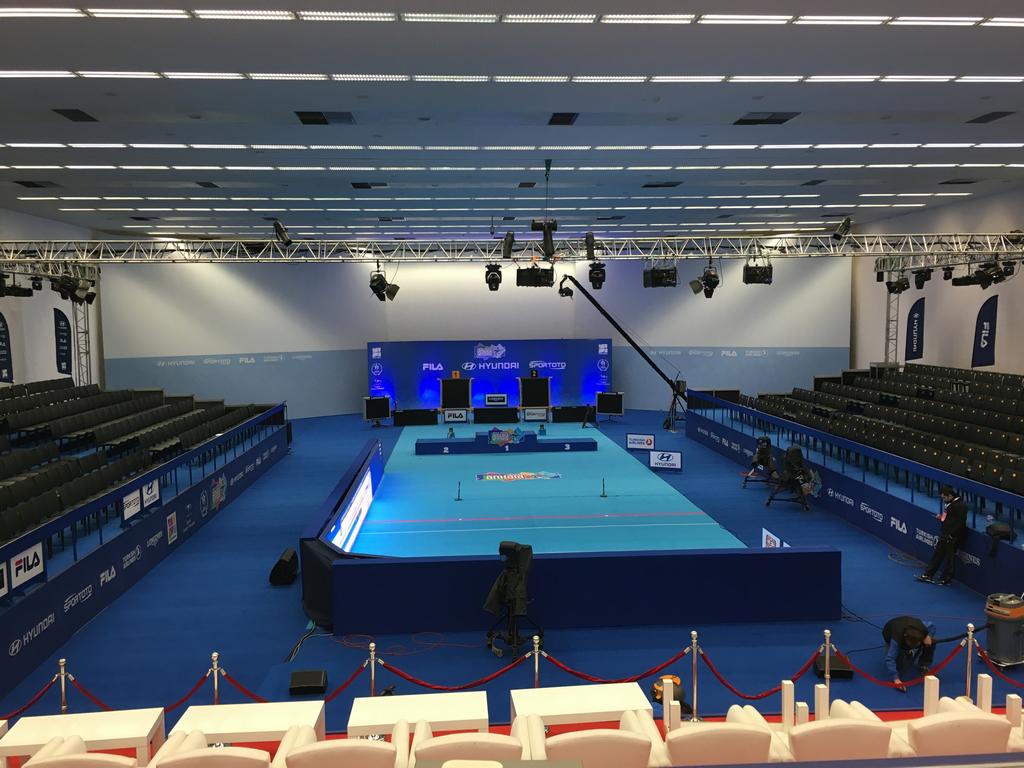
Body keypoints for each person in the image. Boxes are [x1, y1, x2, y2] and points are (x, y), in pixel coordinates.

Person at [916, 485, 968, 585]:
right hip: (945, 533)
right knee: (937, 555)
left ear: (950, 496)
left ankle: (946, 579)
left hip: (952, 536)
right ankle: (928, 575)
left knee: (949, 559)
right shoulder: (949, 504)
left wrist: (951, 534)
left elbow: (960, 523)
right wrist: (942, 518)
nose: (943, 500)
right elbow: (949, 518)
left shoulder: (961, 506)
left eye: (944, 498)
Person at [882, 616, 936, 692]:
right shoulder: (896, 639)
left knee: (932, 642)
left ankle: (923, 664)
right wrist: (896, 679)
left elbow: (932, 626)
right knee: (899, 667)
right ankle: (906, 651)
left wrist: (929, 636)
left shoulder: (922, 627)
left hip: (909, 628)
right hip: (890, 632)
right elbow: (890, 658)